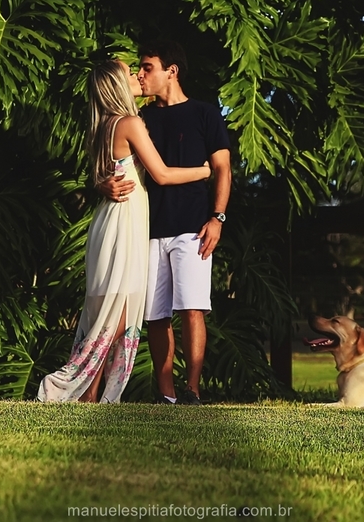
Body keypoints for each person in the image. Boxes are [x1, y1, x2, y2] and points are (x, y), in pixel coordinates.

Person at [38, 59, 211, 403]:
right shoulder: (130, 123)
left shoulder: (101, 124)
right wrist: (203, 172)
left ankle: (89, 393)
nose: (138, 77)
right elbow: (160, 174)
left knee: (107, 309)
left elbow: (104, 175)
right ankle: (66, 382)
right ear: (116, 85)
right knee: (117, 314)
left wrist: (101, 184)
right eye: (130, 73)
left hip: (108, 222)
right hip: (125, 224)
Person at [99, 41, 231, 405]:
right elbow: (112, 161)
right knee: (155, 315)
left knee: (192, 308)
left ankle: (192, 390)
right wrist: (101, 182)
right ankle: (167, 394)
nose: (140, 75)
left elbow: (222, 168)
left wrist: (217, 218)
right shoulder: (140, 120)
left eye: (147, 67)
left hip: (194, 228)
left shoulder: (205, 113)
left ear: (171, 70)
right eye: (138, 69)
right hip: (148, 230)